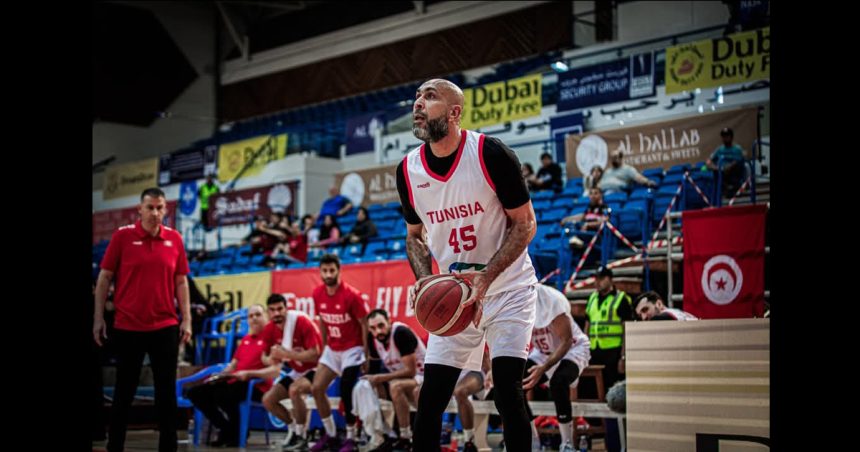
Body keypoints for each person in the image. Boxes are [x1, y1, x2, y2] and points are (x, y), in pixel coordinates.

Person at [396, 78, 538, 452]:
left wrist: (487, 277)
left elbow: (525, 223)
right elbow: (414, 236)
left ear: (455, 112)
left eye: (430, 97)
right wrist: (427, 282)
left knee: (508, 392)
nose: (418, 104)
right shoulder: (407, 170)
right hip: (455, 295)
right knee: (430, 402)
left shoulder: (491, 153)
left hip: (508, 288)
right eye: (416, 97)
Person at [93, 187, 192, 452]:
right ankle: (115, 446)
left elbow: (181, 281)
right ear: (140, 209)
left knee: (166, 393)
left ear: (165, 210)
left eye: (160, 208)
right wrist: (98, 317)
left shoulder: (175, 239)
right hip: (128, 326)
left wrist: (187, 320)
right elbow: (104, 278)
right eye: (150, 207)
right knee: (124, 393)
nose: (155, 213)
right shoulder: (122, 237)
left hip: (165, 326)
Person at [187, 305, 275, 447]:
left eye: (258, 315)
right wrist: (220, 375)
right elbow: (233, 365)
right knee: (195, 393)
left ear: (266, 317)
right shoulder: (245, 340)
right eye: (251, 316)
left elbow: (274, 371)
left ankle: (236, 434)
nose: (254, 319)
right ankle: (227, 429)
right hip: (235, 381)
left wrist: (248, 374)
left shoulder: (271, 340)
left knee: (223, 394)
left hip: (256, 386)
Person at [310, 254, 371, 452]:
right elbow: (322, 320)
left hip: (352, 349)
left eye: (331, 270)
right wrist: (325, 346)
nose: (328, 274)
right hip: (333, 349)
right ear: (320, 272)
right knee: (317, 388)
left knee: (346, 389)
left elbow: (364, 324)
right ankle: (332, 434)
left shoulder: (351, 295)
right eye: (324, 271)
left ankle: (351, 437)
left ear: (339, 271)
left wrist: (366, 353)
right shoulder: (317, 293)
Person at [523, 284, 591, 452]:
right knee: (513, 383)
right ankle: (531, 440)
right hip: (543, 352)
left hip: (572, 349)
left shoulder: (551, 302)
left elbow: (567, 340)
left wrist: (544, 368)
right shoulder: (516, 306)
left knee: (558, 382)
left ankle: (567, 443)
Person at [360, 309, 426, 451]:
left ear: (389, 322)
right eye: (373, 328)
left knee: (395, 386)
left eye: (381, 326)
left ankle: (405, 437)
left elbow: (410, 371)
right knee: (364, 388)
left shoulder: (401, 333)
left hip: (423, 376)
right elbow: (374, 372)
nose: (378, 331)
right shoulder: (375, 340)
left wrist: (380, 378)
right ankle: (384, 434)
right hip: (404, 380)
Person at [583, 266, 634, 452]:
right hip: (595, 354)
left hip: (613, 355)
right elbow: (587, 326)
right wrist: (584, 351)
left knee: (613, 399)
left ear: (610, 279)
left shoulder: (621, 300)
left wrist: (623, 356)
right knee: (594, 397)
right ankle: (600, 436)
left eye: (601, 278)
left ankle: (618, 442)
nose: (598, 281)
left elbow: (627, 329)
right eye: (596, 278)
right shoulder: (592, 298)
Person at [261, 305, 323, 451]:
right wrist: (271, 358)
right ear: (268, 312)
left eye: (280, 308)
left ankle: (302, 435)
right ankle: (294, 429)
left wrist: (286, 355)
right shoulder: (270, 328)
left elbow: (315, 354)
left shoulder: (301, 321)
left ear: (286, 309)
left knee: (295, 389)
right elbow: (264, 357)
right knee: (268, 400)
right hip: (298, 371)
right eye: (272, 310)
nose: (277, 313)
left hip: (319, 368)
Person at [706, 127, 746, 195]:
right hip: (721, 171)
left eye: (727, 136)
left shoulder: (737, 149)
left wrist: (728, 167)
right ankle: (724, 189)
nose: (725, 138)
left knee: (736, 167)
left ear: (731, 137)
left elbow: (738, 161)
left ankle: (734, 187)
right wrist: (715, 167)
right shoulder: (719, 149)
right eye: (723, 136)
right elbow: (709, 160)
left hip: (733, 172)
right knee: (714, 172)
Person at [633, 291, 698, 321]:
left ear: (659, 304)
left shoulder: (663, 317)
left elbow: (660, 319)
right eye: (640, 316)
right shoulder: (678, 312)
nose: (643, 317)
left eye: (645, 309)